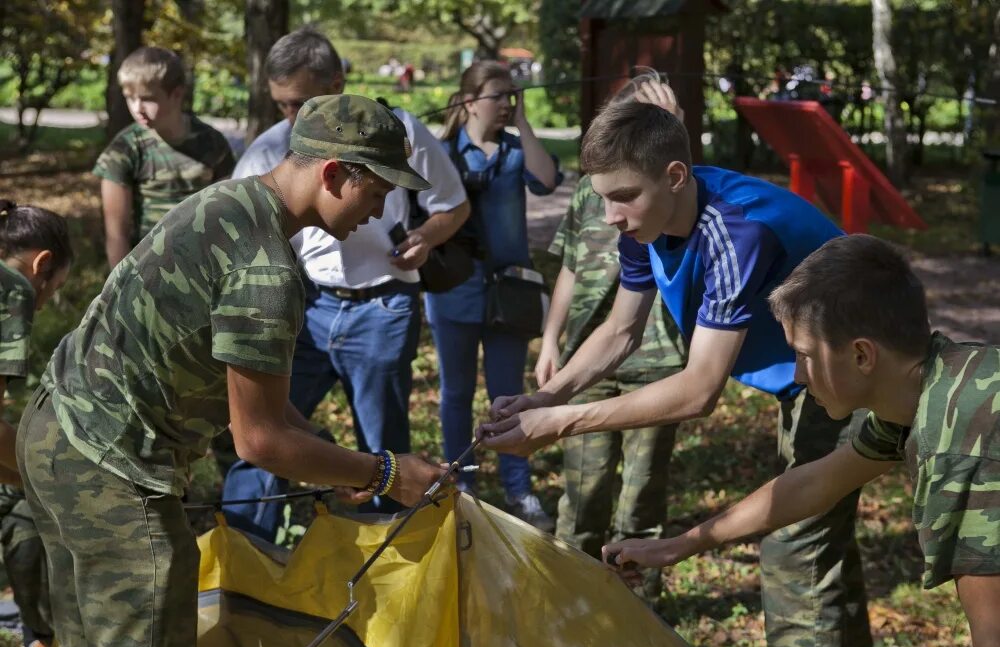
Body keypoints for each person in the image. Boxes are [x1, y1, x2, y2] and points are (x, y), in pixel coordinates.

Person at [17, 95, 447, 647]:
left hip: (53, 434)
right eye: (378, 192)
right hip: (111, 473)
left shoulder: (227, 201)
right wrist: (387, 472)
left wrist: (326, 455)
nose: (381, 211)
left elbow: (244, 387)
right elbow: (260, 440)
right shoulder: (266, 271)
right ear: (333, 174)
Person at [479, 100, 875, 647]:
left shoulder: (737, 230)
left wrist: (560, 422)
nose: (611, 215)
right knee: (817, 546)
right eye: (603, 198)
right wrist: (547, 396)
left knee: (797, 554)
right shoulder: (649, 223)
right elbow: (620, 331)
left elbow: (698, 390)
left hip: (854, 379)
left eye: (623, 196)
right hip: (809, 382)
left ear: (675, 176)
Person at [603, 234, 1000, 647]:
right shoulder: (938, 384)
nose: (798, 374)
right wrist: (680, 545)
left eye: (805, 354)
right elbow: (815, 483)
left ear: (862, 355)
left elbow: (993, 641)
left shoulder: (957, 447)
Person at [225, 27, 469, 537]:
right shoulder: (269, 149)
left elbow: (453, 204)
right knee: (268, 427)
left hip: (382, 307)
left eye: (302, 102)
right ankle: (245, 547)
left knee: (381, 445)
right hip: (305, 306)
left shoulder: (399, 131)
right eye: (283, 106)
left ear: (337, 81)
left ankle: (387, 562)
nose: (294, 119)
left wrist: (425, 237)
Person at [537, 76, 686, 602]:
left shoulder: (678, 196)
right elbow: (571, 269)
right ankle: (566, 605)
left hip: (659, 364)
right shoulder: (592, 191)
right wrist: (551, 340)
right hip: (590, 360)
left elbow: (685, 184)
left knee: (641, 502)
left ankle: (635, 613)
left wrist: (677, 131)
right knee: (582, 496)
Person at [429, 60, 562, 530]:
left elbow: (546, 180)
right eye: (498, 96)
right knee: (456, 393)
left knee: (508, 396)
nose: (506, 104)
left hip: (510, 292)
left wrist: (523, 123)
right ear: (469, 100)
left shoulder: (512, 151)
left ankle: (518, 489)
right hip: (454, 290)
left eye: (513, 96)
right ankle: (460, 483)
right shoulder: (442, 153)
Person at [0, 201, 72, 647]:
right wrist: (48, 478)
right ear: (41, 264)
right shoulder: (12, 289)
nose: (46, 302)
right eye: (54, 289)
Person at [94, 46, 235, 268]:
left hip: (205, 267)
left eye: (147, 99)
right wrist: (120, 293)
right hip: (148, 270)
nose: (137, 108)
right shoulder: (124, 149)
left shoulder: (212, 144)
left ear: (177, 94)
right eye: (130, 98)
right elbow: (116, 235)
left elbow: (228, 216)